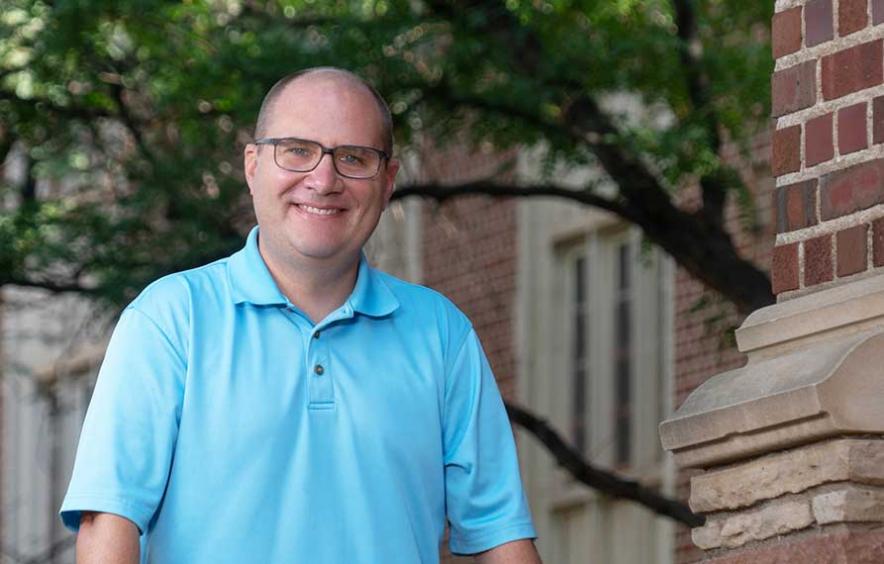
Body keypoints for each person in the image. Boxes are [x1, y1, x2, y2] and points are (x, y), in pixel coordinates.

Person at [60, 67, 540, 563]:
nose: (324, 179)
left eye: (354, 158)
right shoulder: (170, 320)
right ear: (252, 165)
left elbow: (499, 537)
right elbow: (108, 523)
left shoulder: (442, 334)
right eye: (297, 150)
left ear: (389, 180)